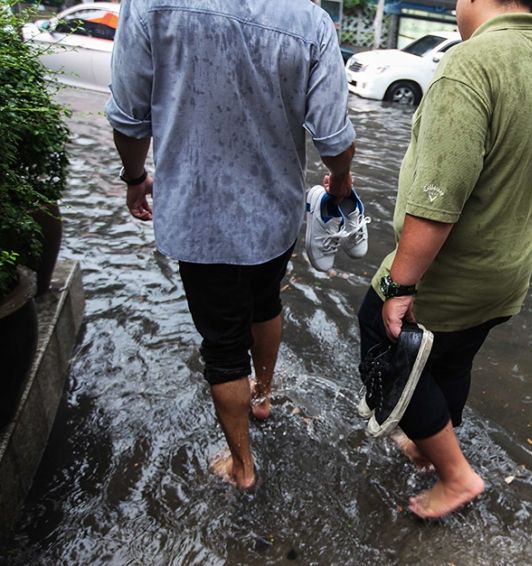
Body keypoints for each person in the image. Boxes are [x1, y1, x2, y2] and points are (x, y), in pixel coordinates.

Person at [106, 0, 355, 489]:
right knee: (265, 303)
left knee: (222, 348)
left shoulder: (150, 4)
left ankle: (242, 467)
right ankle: (261, 396)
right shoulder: (310, 19)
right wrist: (341, 180)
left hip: (204, 217)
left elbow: (130, 118)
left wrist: (135, 177)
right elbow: (333, 138)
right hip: (275, 214)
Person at [357, 0, 532, 518]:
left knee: (381, 336)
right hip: (507, 270)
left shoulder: (471, 64)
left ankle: (456, 476)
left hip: (452, 273)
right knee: (450, 360)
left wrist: (401, 285)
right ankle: (427, 447)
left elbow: (437, 196)